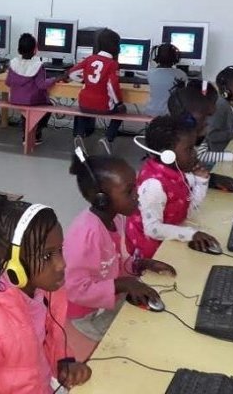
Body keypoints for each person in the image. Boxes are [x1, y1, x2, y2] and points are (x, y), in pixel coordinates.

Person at [0, 193, 91, 393]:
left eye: (60, 249)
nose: (61, 264)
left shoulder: (44, 291)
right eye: (47, 255)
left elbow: (51, 336)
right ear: (13, 264)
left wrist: (64, 363)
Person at [64, 152, 176, 361]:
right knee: (134, 341)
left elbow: (115, 261)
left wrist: (140, 264)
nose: (137, 195)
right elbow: (75, 290)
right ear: (102, 199)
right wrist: (123, 284)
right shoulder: (85, 235)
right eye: (129, 191)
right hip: (87, 314)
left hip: (109, 295)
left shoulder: (115, 218)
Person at [126, 115, 220, 258]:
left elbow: (190, 207)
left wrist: (201, 181)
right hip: (151, 252)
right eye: (189, 149)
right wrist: (191, 234)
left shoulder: (177, 173)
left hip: (172, 235)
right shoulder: (153, 186)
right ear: (167, 155)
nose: (195, 153)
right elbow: (153, 229)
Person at [168, 79, 233, 189]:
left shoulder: (192, 137)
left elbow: (189, 172)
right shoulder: (177, 142)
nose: (207, 124)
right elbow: (177, 180)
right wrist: (212, 179)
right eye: (205, 117)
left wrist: (211, 179)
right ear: (189, 118)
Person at [67, 28, 126, 142]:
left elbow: (72, 73)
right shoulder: (112, 64)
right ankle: (108, 137)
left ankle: (79, 135)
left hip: (84, 104)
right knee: (121, 114)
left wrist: (84, 80)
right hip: (104, 106)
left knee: (82, 112)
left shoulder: (90, 59)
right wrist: (119, 103)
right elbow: (112, 85)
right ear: (115, 47)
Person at [6, 33, 65, 145]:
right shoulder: (37, 65)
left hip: (14, 99)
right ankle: (36, 133)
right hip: (32, 100)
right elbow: (42, 85)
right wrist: (55, 79)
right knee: (49, 106)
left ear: (18, 49)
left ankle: (26, 135)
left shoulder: (13, 64)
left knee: (25, 108)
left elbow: (8, 82)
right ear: (35, 50)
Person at [144, 43, 187, 117]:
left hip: (151, 112)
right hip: (170, 114)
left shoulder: (150, 73)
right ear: (175, 58)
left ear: (156, 56)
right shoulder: (181, 74)